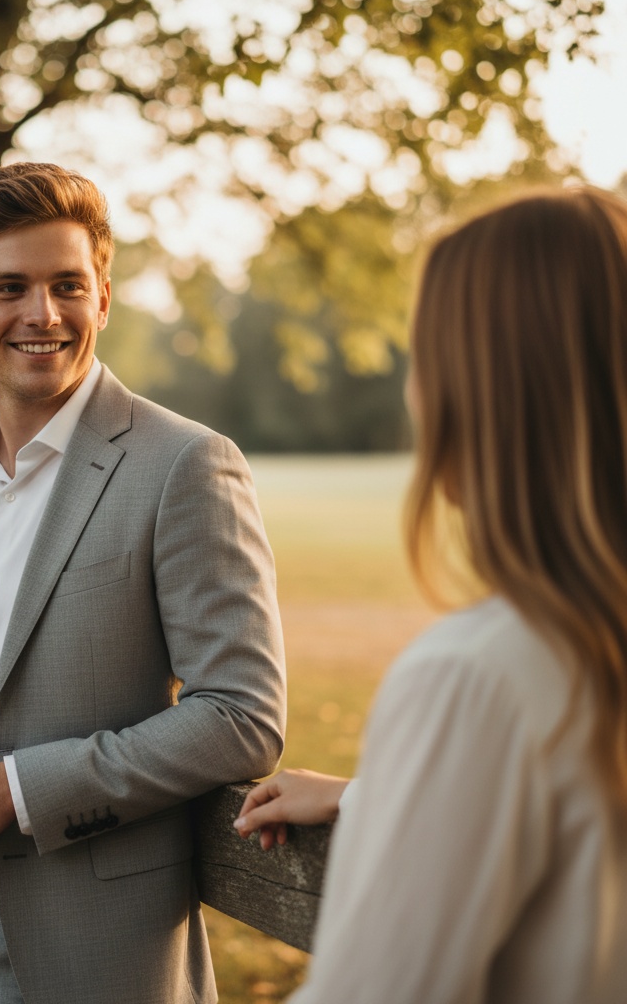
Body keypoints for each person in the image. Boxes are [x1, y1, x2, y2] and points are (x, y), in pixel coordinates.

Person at [0, 161, 288, 1004]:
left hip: (80, 944)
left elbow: (241, 715)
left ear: (102, 297)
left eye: (68, 285)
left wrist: (18, 791)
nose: (43, 314)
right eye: (10, 288)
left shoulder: (185, 465)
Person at [234, 186, 627, 1003]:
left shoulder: (479, 675)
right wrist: (376, 797)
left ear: (482, 395)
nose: (415, 394)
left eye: (428, 359)